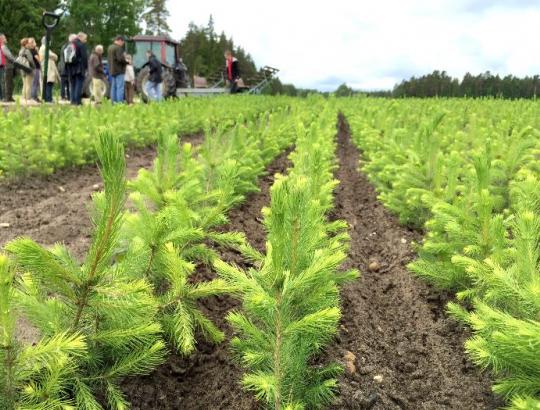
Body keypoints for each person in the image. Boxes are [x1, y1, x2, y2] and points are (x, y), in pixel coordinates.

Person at [67, 32, 88, 105]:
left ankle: (72, 100)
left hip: (70, 67)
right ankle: (77, 101)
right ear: (80, 37)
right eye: (85, 39)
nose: (86, 41)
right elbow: (84, 57)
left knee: (73, 85)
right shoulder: (81, 45)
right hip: (79, 68)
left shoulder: (70, 44)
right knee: (79, 85)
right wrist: (86, 67)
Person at [38, 36, 60, 103]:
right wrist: (54, 56)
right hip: (47, 69)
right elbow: (55, 56)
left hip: (48, 69)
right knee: (49, 83)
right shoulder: (44, 48)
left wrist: (53, 56)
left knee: (49, 83)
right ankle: (48, 98)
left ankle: (48, 98)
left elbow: (54, 56)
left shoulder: (44, 48)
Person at [108, 35, 128, 104]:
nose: (123, 44)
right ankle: (120, 103)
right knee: (120, 87)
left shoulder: (110, 47)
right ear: (119, 40)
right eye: (123, 42)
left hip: (112, 70)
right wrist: (127, 62)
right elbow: (120, 59)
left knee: (113, 87)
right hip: (119, 70)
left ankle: (113, 102)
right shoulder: (118, 48)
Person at [58, 34, 76, 102]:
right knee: (68, 83)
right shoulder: (69, 46)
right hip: (67, 67)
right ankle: (68, 97)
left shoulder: (64, 46)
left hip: (63, 67)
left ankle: (64, 97)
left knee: (64, 84)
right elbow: (68, 59)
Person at [18, 38, 36, 103]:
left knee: (24, 84)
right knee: (29, 84)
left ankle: (24, 98)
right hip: (28, 69)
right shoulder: (27, 51)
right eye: (28, 43)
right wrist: (34, 67)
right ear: (25, 44)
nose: (29, 44)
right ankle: (28, 98)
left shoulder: (20, 51)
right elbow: (31, 60)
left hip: (22, 69)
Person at [0, 34, 16, 102]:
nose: (6, 39)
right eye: (5, 38)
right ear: (1, 39)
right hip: (7, 66)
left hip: (9, 66)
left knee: (10, 82)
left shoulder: (4, 46)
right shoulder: (3, 47)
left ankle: (9, 97)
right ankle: (7, 97)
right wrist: (14, 60)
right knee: (7, 82)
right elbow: (9, 55)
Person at [29, 38, 41, 102]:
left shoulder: (29, 50)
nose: (36, 43)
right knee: (35, 83)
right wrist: (38, 51)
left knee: (34, 83)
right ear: (32, 43)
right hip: (36, 68)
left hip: (33, 68)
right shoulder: (34, 51)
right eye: (35, 42)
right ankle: (34, 97)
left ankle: (34, 96)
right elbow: (39, 59)